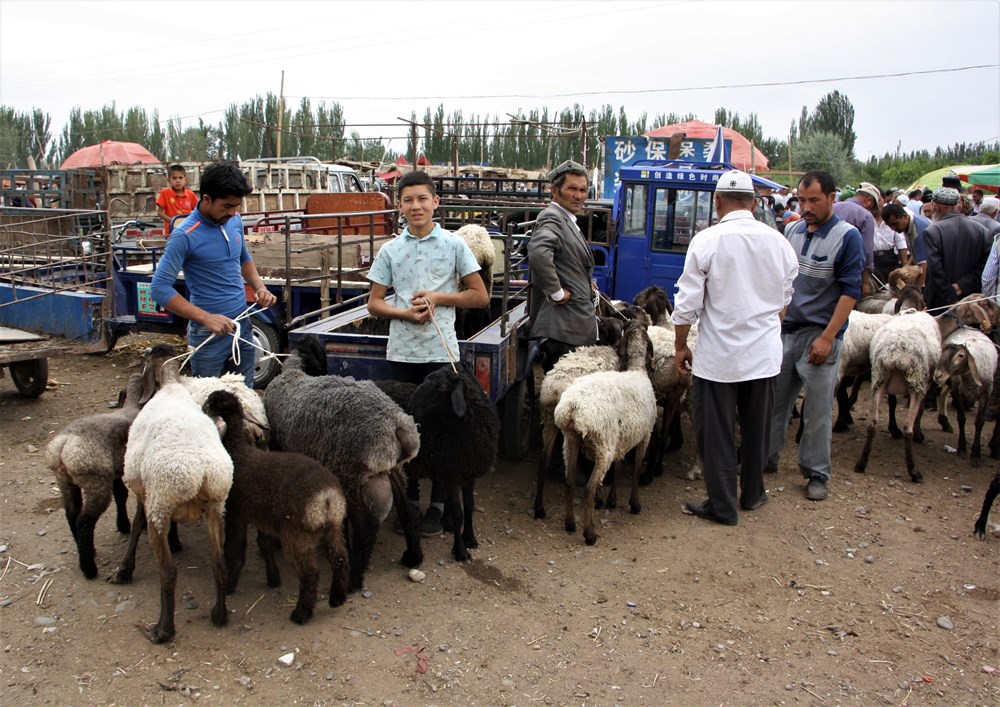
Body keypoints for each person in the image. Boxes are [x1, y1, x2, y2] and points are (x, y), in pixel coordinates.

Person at [673, 170, 798, 526]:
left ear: (717, 202)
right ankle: (753, 493)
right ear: (755, 202)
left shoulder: (707, 240)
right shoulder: (779, 242)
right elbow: (785, 299)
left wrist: (681, 346)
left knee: (716, 431)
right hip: (763, 356)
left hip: (720, 358)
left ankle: (723, 505)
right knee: (757, 428)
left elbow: (687, 305)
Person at [366, 170, 488, 536]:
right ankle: (409, 499)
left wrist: (439, 297)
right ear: (399, 206)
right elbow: (374, 303)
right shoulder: (390, 250)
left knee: (443, 431)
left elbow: (479, 296)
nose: (416, 206)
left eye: (423, 199)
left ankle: (438, 506)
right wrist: (403, 313)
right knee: (402, 428)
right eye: (408, 200)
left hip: (441, 352)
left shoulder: (454, 246)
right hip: (401, 353)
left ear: (436, 202)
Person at [766, 170, 864, 502]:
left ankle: (816, 473)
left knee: (818, 409)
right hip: (786, 332)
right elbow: (779, 278)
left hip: (821, 335)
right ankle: (766, 458)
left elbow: (850, 293)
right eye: (802, 200)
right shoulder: (791, 230)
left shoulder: (847, 237)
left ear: (832, 198)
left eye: (814, 201)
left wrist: (828, 337)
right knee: (775, 400)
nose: (806, 207)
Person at [150, 162, 277, 388]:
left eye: (237, 206)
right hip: (208, 335)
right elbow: (159, 288)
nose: (233, 212)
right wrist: (205, 318)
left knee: (242, 397)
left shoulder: (234, 220)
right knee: (209, 402)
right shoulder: (184, 235)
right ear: (206, 199)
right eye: (227, 206)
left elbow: (243, 258)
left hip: (242, 325)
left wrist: (260, 287)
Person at [526, 160, 598, 371]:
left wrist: (586, 284)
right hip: (563, 329)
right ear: (555, 192)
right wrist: (556, 292)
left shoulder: (567, 220)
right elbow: (539, 251)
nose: (579, 195)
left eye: (583, 190)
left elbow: (568, 262)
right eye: (572, 189)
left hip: (573, 326)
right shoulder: (553, 217)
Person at [922, 187, 992, 311]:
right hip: (971, 302)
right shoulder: (982, 231)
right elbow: (985, 267)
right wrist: (962, 286)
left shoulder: (932, 231)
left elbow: (935, 269)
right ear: (956, 205)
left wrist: (950, 296)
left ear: (935, 206)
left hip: (940, 303)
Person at [833, 183, 878, 296]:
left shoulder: (833, 207)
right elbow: (867, 251)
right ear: (868, 201)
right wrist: (866, 283)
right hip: (849, 273)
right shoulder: (866, 216)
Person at [883, 202, 930, 287]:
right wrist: (907, 266)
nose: (893, 228)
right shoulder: (908, 224)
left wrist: (914, 290)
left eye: (895, 224)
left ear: (904, 216)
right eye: (889, 226)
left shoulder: (919, 230)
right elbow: (917, 250)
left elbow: (924, 266)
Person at [155, 164, 199, 234]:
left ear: (185, 179)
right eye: (174, 178)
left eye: (180, 178)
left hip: (187, 230)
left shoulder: (190, 194)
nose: (177, 181)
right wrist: (173, 221)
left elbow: (198, 210)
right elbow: (159, 213)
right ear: (169, 180)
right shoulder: (165, 193)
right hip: (171, 231)